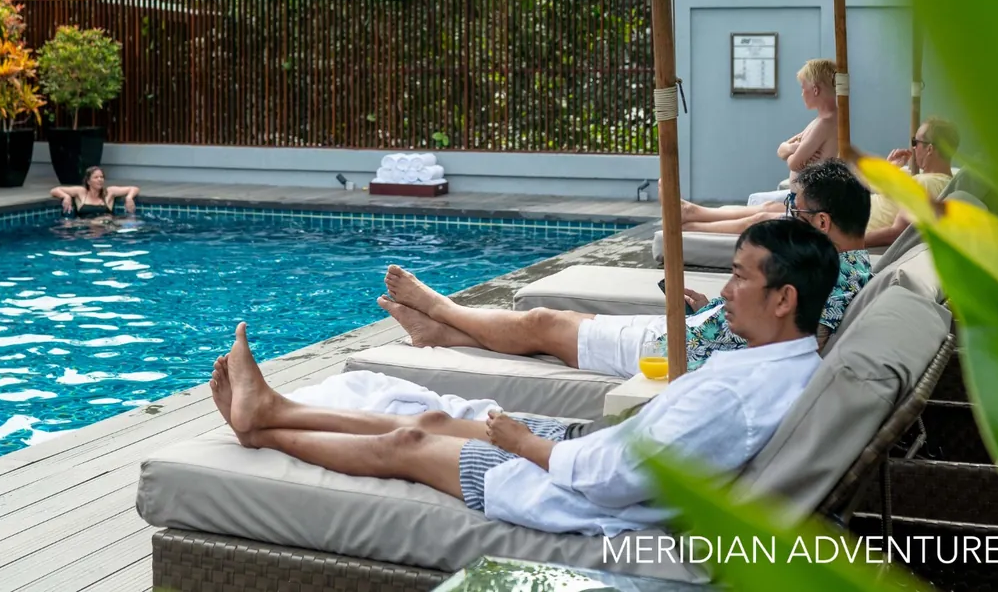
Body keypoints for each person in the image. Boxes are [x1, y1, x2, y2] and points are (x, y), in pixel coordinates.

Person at [209, 217, 835, 536]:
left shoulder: (736, 393)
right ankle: (277, 407)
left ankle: (263, 429)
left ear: (783, 300)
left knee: (411, 443)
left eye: (740, 278)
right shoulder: (785, 363)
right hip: (583, 451)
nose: (725, 291)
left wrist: (523, 445)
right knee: (432, 417)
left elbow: (616, 482)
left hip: (570, 483)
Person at [379, 159, 874, 377]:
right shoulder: (848, 269)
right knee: (547, 329)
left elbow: (799, 353)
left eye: (796, 209)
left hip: (678, 354)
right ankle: (441, 335)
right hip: (695, 332)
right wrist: (723, 310)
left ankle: (442, 308)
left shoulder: (835, 278)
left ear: (822, 221)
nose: (787, 216)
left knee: (543, 322)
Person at [685, 58, 839, 223]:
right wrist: (794, 149)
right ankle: (693, 212)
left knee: (760, 217)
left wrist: (792, 150)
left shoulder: (824, 123)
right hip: (801, 200)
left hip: (808, 207)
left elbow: (793, 164)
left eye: (803, 89)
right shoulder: (819, 121)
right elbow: (782, 149)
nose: (802, 94)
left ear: (815, 90)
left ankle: (691, 224)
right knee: (767, 207)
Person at [862, 117, 959, 247]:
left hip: (848, 234)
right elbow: (869, 187)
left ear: (929, 149)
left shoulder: (928, 184)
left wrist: (847, 244)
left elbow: (897, 233)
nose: (913, 148)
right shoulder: (920, 177)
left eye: (915, 142)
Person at [49, 166, 139, 217]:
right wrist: (66, 196)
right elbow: (54, 190)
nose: (100, 180)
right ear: (88, 181)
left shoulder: (109, 192)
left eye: (102, 177)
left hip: (105, 229)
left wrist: (129, 198)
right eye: (96, 177)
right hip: (84, 229)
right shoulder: (81, 192)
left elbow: (134, 188)